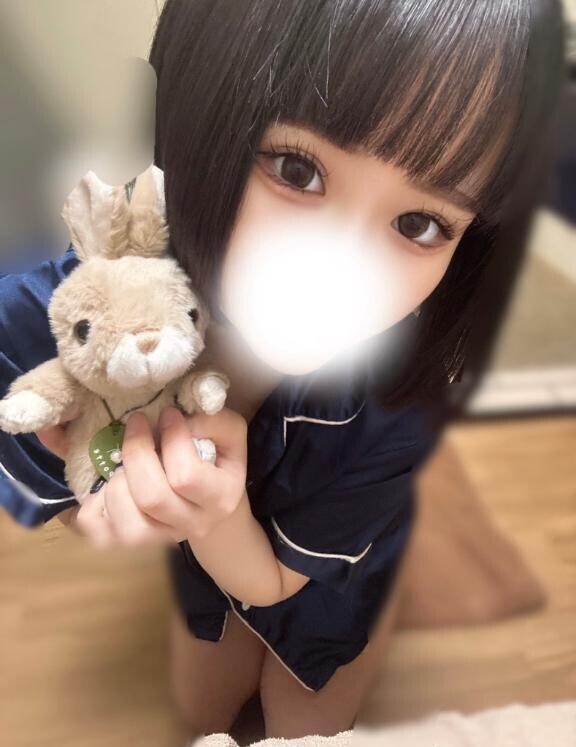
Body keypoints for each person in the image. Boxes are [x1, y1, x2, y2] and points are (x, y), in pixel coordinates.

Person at [0, 0, 568, 741]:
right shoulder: (79, 316)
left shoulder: (393, 407)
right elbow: (65, 491)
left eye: (420, 223)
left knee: (305, 717)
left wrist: (216, 516)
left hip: (326, 581)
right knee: (202, 708)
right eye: (296, 169)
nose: (342, 273)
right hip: (211, 567)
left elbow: (273, 582)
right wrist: (114, 496)